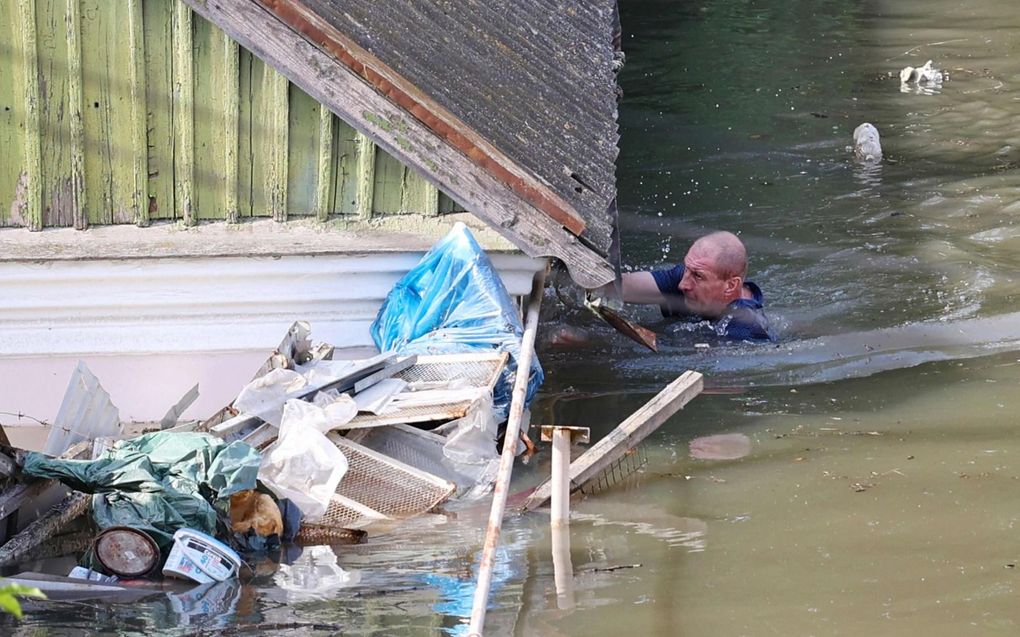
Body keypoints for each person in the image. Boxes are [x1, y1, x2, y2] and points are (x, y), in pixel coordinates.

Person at [613, 231, 774, 341]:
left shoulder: (747, 329)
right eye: (686, 269)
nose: (683, 284)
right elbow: (617, 287)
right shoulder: (687, 276)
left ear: (731, 286)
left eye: (698, 276)